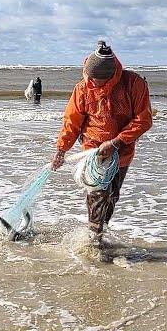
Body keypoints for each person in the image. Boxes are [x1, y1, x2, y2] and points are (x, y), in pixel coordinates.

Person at [50, 40, 153, 242]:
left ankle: (99, 232)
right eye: (89, 78)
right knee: (97, 194)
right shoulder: (82, 88)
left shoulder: (133, 83)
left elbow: (144, 120)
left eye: (97, 80)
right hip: (92, 153)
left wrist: (115, 142)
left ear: (111, 77)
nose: (91, 83)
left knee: (112, 196)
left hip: (121, 153)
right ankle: (94, 239)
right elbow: (71, 122)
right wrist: (61, 150)